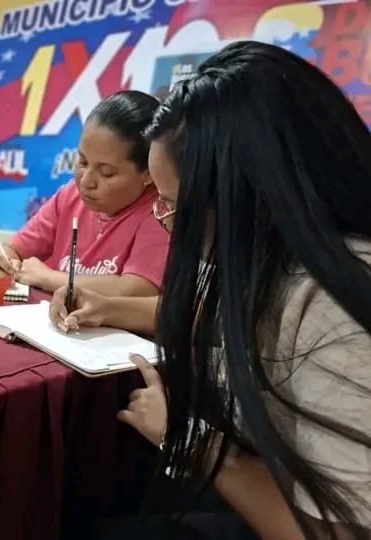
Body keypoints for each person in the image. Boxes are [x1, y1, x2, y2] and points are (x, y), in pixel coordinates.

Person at [104, 41, 371, 540]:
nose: (169, 226)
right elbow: (203, 315)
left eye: (173, 206)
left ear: (244, 194)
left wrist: (198, 445)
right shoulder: (278, 260)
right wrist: (106, 306)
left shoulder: (333, 305)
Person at [0, 91, 169, 301]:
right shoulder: (70, 195)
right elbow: (14, 250)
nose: (86, 181)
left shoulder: (161, 212)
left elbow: (139, 288)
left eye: (106, 173)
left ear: (148, 172)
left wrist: (48, 278)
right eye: (82, 162)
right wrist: (1, 262)